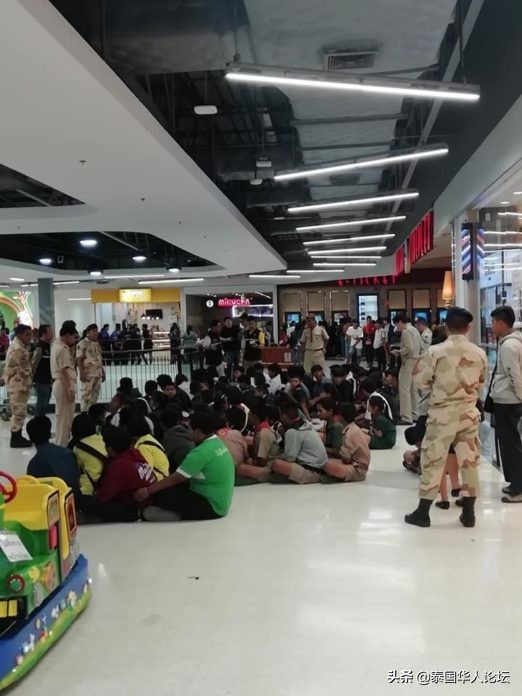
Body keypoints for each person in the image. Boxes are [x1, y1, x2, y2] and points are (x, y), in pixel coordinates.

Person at [405, 307, 487, 529]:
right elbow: (481, 383)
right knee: (469, 462)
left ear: (447, 327)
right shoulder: (479, 353)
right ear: (468, 328)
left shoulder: (435, 352)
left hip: (442, 415)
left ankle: (423, 513)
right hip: (468, 414)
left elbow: (421, 382)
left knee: (433, 460)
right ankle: (468, 513)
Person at [133, 410, 235, 521]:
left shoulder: (200, 452)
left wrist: (147, 491)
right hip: (221, 501)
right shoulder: (217, 442)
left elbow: (176, 478)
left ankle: (173, 515)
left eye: (189, 428)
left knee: (163, 494)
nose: (187, 431)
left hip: (211, 505)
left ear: (198, 431)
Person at [489, 305, 522, 502]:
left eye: (493, 322)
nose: (492, 326)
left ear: (502, 323)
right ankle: (515, 483)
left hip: (509, 401)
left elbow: (514, 375)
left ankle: (519, 487)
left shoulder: (509, 346)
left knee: (511, 445)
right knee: (509, 443)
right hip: (507, 399)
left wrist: (520, 396)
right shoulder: (510, 343)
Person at [270, 402, 328, 484]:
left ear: (284, 416)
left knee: (275, 464)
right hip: (319, 467)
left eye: (280, 416)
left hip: (311, 471)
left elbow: (289, 459)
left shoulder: (292, 432)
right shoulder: (305, 423)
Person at [26, 416, 79, 494]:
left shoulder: (34, 464)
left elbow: (35, 490)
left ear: (30, 438)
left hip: (55, 499)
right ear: (49, 434)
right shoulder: (68, 453)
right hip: (76, 497)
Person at [323, 402, 371, 483]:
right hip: (355, 464)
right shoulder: (353, 428)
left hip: (357, 470)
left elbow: (345, 457)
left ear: (341, 416)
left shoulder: (350, 433)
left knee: (327, 465)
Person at [3, 323, 33, 447]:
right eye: (27, 335)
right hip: (18, 385)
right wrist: (3, 380)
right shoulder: (17, 348)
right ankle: (15, 438)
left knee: (20, 411)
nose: (30, 337)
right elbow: (10, 367)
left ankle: (18, 435)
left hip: (21, 384)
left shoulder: (21, 346)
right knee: (18, 412)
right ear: (20, 335)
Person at [392, 312, 422, 425]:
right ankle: (415, 414)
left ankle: (406, 417)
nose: (397, 327)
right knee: (413, 389)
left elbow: (409, 348)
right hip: (416, 361)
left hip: (408, 361)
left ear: (400, 322)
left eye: (397, 324)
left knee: (404, 389)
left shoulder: (406, 331)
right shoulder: (414, 330)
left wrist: (399, 352)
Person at [51, 324, 78, 447]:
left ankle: (61, 443)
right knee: (65, 419)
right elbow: (64, 370)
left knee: (62, 416)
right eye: (73, 336)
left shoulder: (56, 345)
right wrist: (70, 389)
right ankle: (62, 445)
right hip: (64, 384)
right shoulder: (63, 349)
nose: (74, 340)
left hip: (59, 383)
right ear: (67, 335)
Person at [71, 413, 108, 496]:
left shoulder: (78, 448)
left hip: (89, 490)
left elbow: (76, 470)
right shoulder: (102, 438)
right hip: (106, 484)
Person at [77, 323, 105, 412]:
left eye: (97, 331)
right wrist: (81, 373)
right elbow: (79, 359)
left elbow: (99, 359)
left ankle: (92, 414)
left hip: (97, 373)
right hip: (88, 374)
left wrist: (103, 372)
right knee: (86, 396)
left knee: (94, 397)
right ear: (88, 332)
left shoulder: (97, 344)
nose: (96, 333)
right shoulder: (83, 343)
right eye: (93, 331)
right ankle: (84, 413)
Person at [161, 406, 195, 472]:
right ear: (177, 421)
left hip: (184, 471)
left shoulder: (168, 439)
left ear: (162, 424)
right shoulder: (187, 430)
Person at [31, 324, 54, 418]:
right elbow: (34, 364)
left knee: (45, 405)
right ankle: (37, 423)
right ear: (43, 334)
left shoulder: (49, 346)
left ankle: (41, 422)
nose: (52, 334)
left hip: (48, 381)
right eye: (50, 332)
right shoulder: (40, 347)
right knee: (41, 404)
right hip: (41, 381)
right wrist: (31, 378)